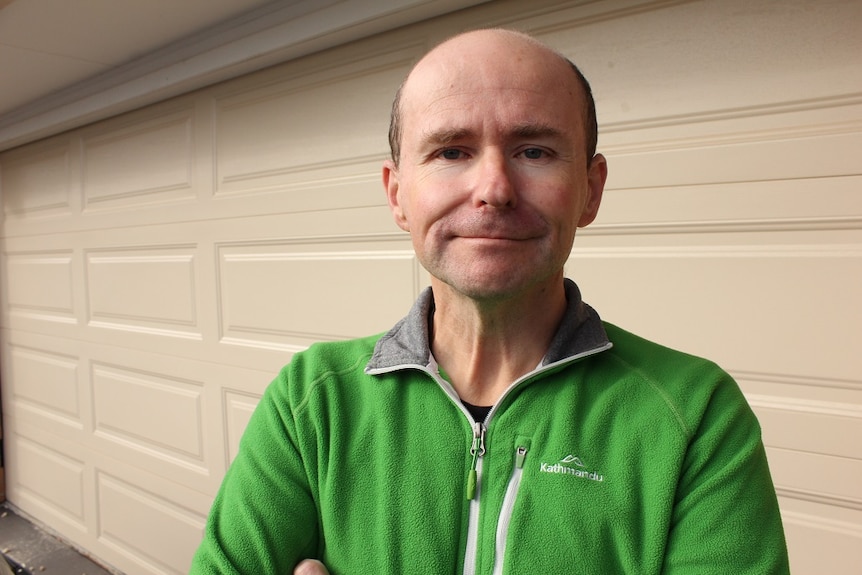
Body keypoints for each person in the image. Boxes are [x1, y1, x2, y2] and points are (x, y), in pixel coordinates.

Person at [190, 29, 790, 575]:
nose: (494, 189)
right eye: (451, 151)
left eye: (534, 151)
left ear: (591, 189)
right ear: (398, 195)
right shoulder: (311, 404)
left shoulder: (695, 417)